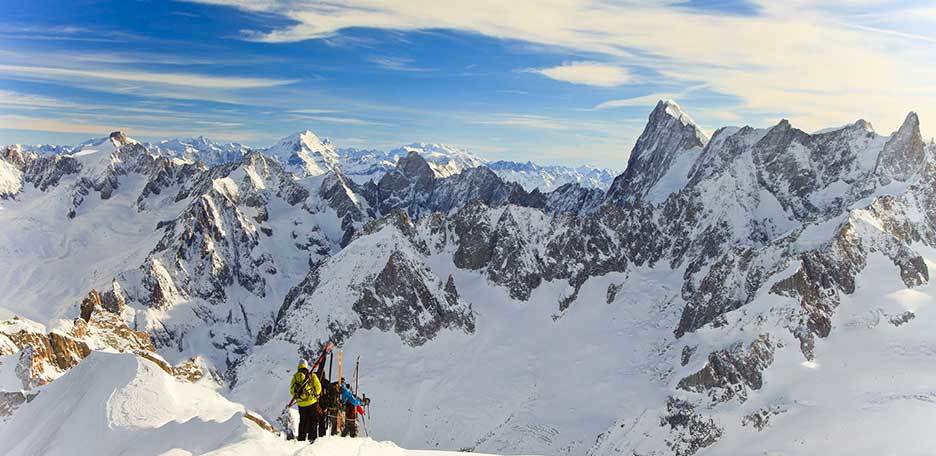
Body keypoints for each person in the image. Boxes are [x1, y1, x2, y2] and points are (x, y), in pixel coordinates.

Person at [289, 360, 322, 442]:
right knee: (313, 420)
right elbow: (318, 388)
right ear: (306, 366)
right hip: (312, 402)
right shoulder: (311, 375)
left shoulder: (295, 377)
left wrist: (299, 397)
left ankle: (301, 438)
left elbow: (292, 391)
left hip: (301, 404)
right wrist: (315, 395)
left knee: (303, 421)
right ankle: (312, 438)